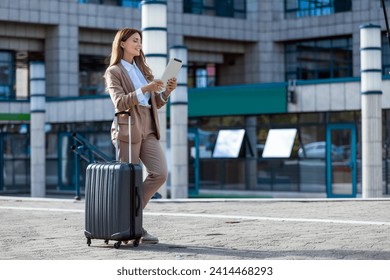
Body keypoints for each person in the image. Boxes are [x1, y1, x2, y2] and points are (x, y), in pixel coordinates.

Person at [104, 28, 177, 244]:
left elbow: (156, 102)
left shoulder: (142, 69)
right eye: (135, 40)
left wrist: (166, 92)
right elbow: (119, 102)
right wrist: (146, 88)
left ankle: (129, 220)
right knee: (128, 180)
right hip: (129, 127)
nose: (139, 44)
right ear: (123, 43)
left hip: (149, 126)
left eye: (141, 41)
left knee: (160, 173)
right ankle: (131, 227)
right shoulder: (114, 71)